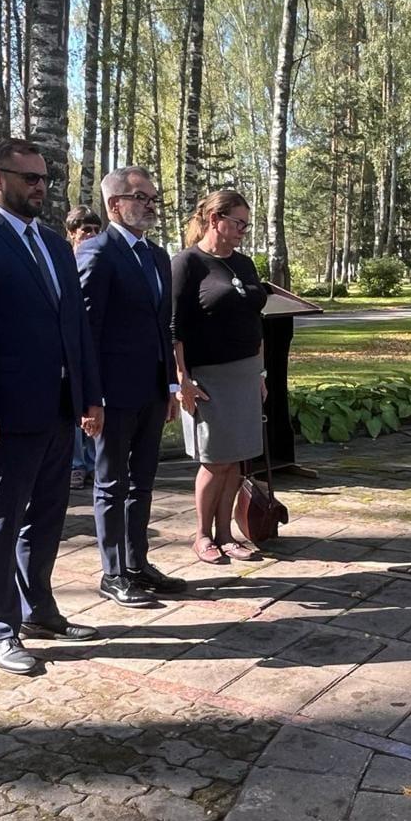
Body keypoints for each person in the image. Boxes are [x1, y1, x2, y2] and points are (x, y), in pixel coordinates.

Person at [0, 138, 104, 675]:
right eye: (29, 177)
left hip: (58, 409)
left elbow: (75, 328)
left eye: (45, 178)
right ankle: (1, 627)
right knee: (1, 522)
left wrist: (89, 396)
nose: (40, 187)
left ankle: (39, 610)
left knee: (47, 518)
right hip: (4, 415)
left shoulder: (55, 244)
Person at [78, 167, 185, 606]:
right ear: (114, 204)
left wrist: (172, 385)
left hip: (152, 389)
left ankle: (137, 563)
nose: (150, 205)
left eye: (153, 198)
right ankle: (113, 572)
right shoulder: (97, 252)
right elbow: (86, 331)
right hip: (113, 393)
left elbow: (164, 326)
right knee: (111, 484)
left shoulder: (157, 255)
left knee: (142, 482)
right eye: (141, 197)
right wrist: (91, 397)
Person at [172, 189, 267, 563]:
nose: (243, 230)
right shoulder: (187, 263)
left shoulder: (244, 264)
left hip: (245, 373)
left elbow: (255, 320)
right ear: (215, 219)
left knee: (237, 459)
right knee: (214, 461)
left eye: (246, 224)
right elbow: (174, 328)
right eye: (238, 223)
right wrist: (182, 379)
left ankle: (226, 534)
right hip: (207, 377)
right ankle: (202, 536)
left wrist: (260, 373)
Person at [65, 205, 102, 488]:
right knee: (74, 403)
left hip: (97, 344)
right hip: (71, 342)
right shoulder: (64, 262)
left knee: (95, 401)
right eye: (85, 230)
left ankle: (93, 461)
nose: (91, 235)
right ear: (71, 233)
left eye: (96, 230)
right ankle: (76, 463)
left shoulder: (102, 260)